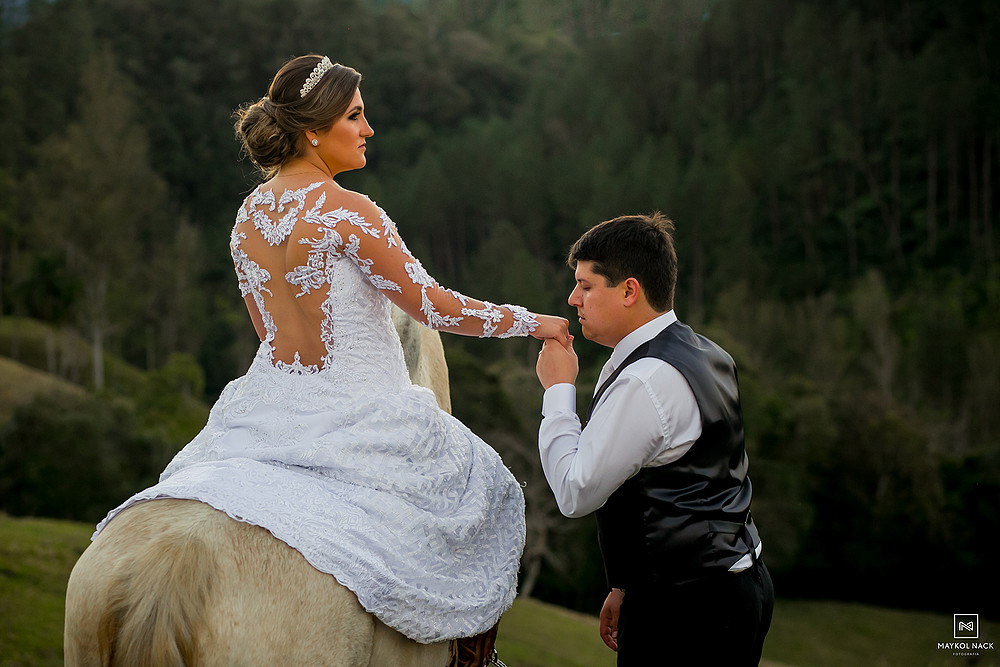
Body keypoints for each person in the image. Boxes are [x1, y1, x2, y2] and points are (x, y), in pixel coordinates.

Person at [92, 54, 569, 653]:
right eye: (356, 116)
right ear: (314, 131)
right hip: (363, 407)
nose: (369, 129)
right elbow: (432, 306)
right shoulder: (349, 211)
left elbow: (266, 330)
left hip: (266, 407)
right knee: (484, 486)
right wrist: (533, 322)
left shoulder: (247, 218)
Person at [534, 213, 773, 665]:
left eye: (586, 286)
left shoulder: (644, 379)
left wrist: (558, 391)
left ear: (629, 290)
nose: (572, 299)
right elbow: (685, 484)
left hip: (689, 610)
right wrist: (626, 583)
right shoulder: (705, 352)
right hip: (733, 583)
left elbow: (574, 490)